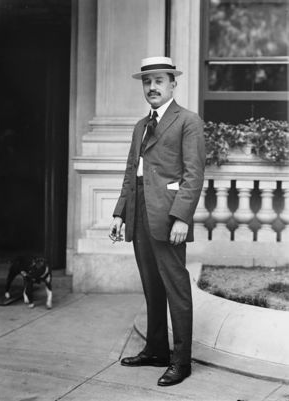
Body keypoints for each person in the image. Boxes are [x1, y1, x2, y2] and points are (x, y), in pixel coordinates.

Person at [109, 56, 205, 386]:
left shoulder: (188, 121)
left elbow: (193, 176)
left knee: (176, 288)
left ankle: (181, 361)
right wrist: (120, 213)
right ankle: (156, 350)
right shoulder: (140, 125)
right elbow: (130, 173)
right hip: (139, 213)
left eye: (159, 81)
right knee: (152, 287)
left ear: (173, 84)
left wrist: (181, 218)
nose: (152, 87)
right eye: (147, 82)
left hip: (168, 216)